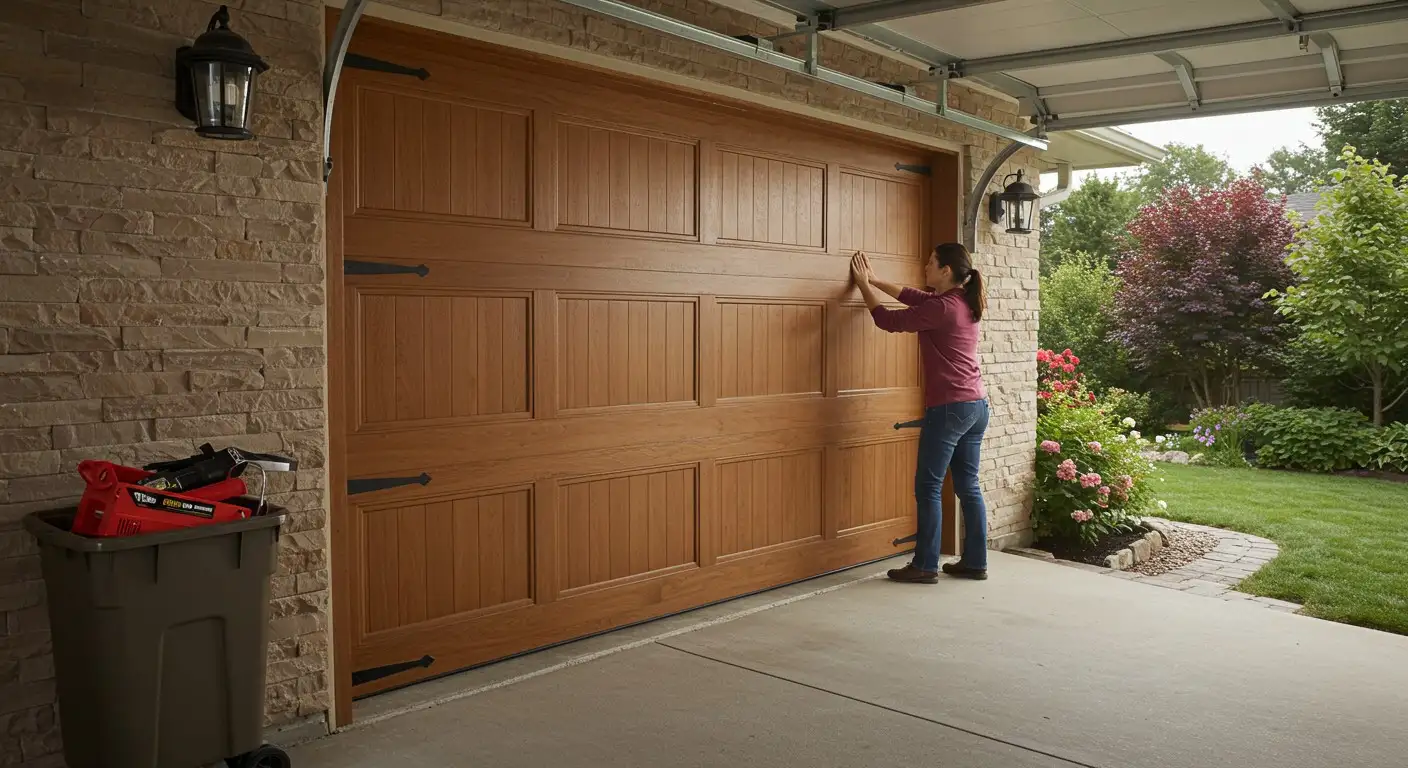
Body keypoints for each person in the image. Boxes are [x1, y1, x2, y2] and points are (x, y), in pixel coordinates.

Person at [850, 244, 990, 583]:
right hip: (976, 405)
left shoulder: (943, 308)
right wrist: (877, 280)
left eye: (930, 262)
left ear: (945, 270)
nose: (925, 266)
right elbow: (915, 297)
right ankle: (975, 562)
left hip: (949, 409)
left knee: (928, 486)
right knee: (968, 486)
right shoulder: (960, 302)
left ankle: (925, 565)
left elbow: (888, 320)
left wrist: (863, 286)